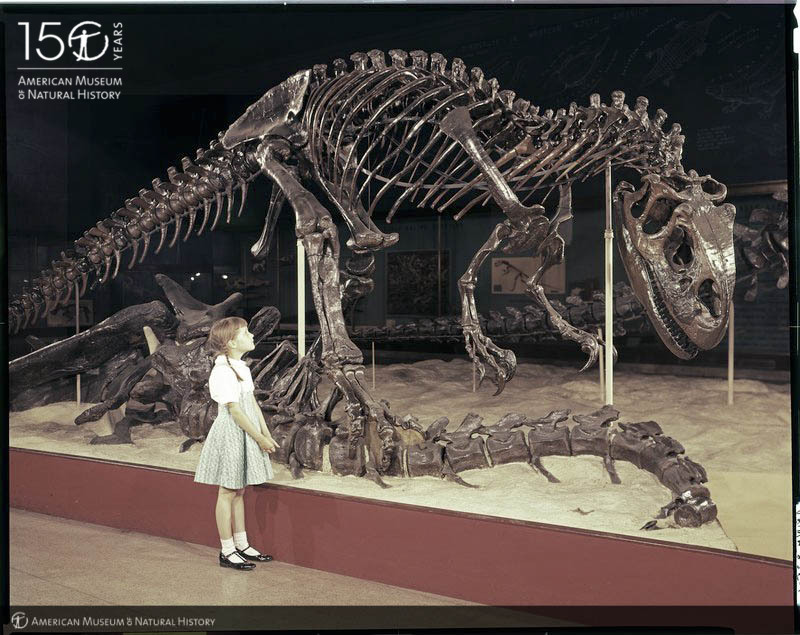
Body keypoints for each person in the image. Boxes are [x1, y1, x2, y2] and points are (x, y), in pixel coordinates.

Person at [194, 316, 278, 571]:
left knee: (240, 490)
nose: (251, 336)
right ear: (231, 342)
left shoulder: (241, 367)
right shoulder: (222, 371)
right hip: (232, 431)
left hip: (247, 430)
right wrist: (260, 438)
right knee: (227, 491)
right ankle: (227, 550)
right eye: (245, 333)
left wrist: (266, 433)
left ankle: (242, 544)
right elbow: (236, 411)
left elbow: (251, 403)